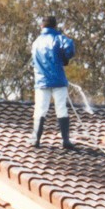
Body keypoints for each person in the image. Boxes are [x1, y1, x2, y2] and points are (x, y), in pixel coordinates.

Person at [29, 15, 76, 150]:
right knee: (61, 108)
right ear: (55, 26)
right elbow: (70, 47)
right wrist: (64, 58)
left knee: (40, 109)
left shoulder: (36, 42)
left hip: (41, 80)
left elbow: (33, 62)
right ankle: (65, 140)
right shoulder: (58, 38)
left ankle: (36, 139)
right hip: (58, 80)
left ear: (42, 26)